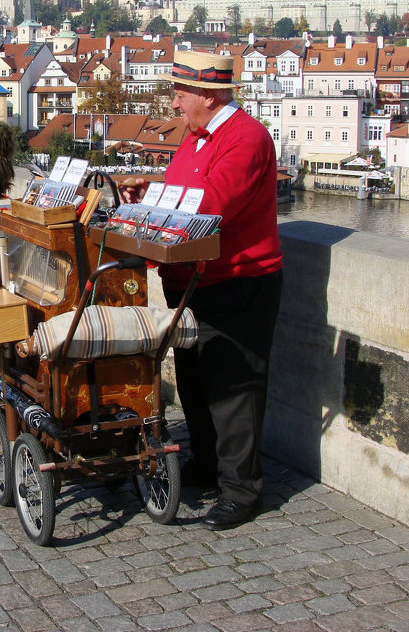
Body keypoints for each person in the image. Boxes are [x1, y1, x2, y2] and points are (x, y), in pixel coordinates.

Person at [120, 50, 283, 530]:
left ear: (209, 96)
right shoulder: (195, 138)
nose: (174, 103)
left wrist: (149, 214)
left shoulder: (246, 139)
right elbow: (181, 195)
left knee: (234, 388)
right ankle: (207, 462)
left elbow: (210, 207)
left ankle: (242, 490)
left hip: (237, 281)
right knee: (193, 377)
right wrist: (146, 193)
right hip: (192, 280)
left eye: (180, 93)